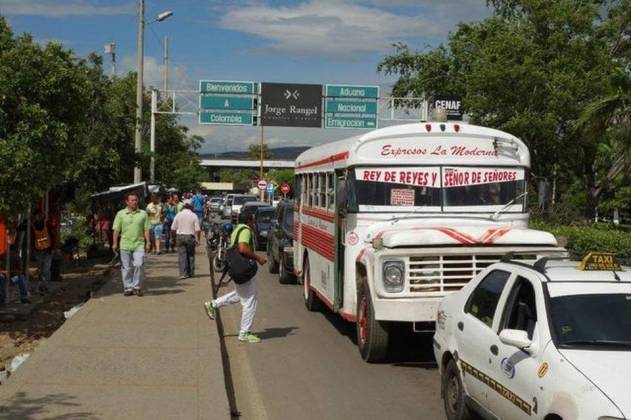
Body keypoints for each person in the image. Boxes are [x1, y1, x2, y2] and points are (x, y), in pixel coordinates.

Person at [204, 213, 267, 343]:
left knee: (240, 295)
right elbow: (243, 248)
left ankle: (213, 304)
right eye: (253, 220)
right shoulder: (245, 230)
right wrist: (258, 258)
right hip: (244, 270)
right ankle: (244, 333)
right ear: (249, 220)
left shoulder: (236, 229)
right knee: (250, 301)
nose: (253, 223)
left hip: (237, 268)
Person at [112, 193, 150, 296]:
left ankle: (136, 286)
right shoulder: (120, 214)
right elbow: (116, 230)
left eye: (136, 200)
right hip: (125, 244)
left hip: (139, 244)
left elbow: (146, 229)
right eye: (132, 200)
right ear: (127, 202)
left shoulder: (143, 214)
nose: (135, 202)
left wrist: (148, 242)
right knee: (126, 267)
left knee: (139, 264)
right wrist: (114, 243)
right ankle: (128, 288)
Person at [171, 199, 201, 279]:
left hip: (180, 236)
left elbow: (173, 229)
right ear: (191, 206)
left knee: (182, 256)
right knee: (190, 255)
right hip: (190, 237)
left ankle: (183, 274)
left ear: (183, 206)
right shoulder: (194, 215)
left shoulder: (178, 215)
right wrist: (198, 239)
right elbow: (197, 229)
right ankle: (191, 273)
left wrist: (173, 238)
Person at [32, 210, 55, 293]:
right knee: (41, 269)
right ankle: (42, 285)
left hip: (48, 251)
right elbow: (32, 238)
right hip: (38, 251)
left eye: (40, 215)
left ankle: (45, 286)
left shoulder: (47, 224)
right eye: (37, 216)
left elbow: (52, 236)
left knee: (46, 269)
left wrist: (52, 248)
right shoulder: (33, 226)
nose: (39, 217)